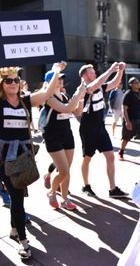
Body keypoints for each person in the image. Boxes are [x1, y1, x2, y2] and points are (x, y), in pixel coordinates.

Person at [0, 63, 65, 260]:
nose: (13, 83)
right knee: (17, 197)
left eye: (16, 80)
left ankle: (14, 230)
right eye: (8, 80)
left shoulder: (26, 101)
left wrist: (55, 71)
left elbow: (46, 94)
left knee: (17, 195)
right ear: (1, 84)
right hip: (3, 160)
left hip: (22, 159)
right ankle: (23, 241)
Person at [78, 63, 128, 198]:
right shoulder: (84, 88)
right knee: (87, 158)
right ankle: (86, 185)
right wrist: (111, 69)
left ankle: (113, 189)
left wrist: (120, 71)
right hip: (88, 129)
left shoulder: (99, 86)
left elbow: (113, 83)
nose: (94, 73)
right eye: (91, 71)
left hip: (100, 128)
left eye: (94, 71)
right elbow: (98, 82)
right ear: (84, 75)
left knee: (110, 157)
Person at [43, 70, 86, 210]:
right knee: (64, 171)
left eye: (62, 78)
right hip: (53, 138)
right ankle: (51, 192)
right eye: (57, 78)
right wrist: (78, 93)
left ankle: (65, 199)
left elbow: (77, 112)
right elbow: (67, 108)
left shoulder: (64, 95)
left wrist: (81, 97)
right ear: (50, 82)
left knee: (67, 171)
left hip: (67, 136)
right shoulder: (48, 97)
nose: (61, 80)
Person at [118, 77, 140, 165]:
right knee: (126, 138)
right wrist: (127, 121)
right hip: (130, 120)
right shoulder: (128, 94)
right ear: (131, 84)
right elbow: (124, 109)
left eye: (138, 82)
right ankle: (121, 152)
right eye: (136, 82)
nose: (138, 83)